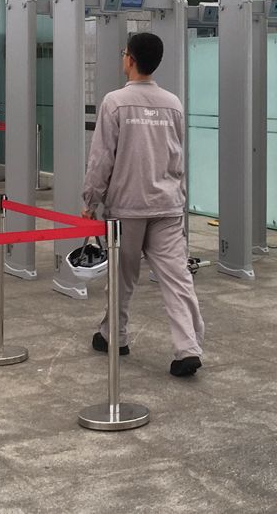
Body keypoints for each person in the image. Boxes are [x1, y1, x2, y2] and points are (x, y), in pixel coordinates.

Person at [81, 31, 205, 377]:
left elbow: (101, 159)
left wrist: (90, 201)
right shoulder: (173, 103)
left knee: (122, 277)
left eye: (124, 53)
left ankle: (115, 336)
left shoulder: (115, 102)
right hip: (167, 206)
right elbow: (177, 156)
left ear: (131, 60)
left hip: (127, 207)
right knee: (177, 279)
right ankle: (187, 348)